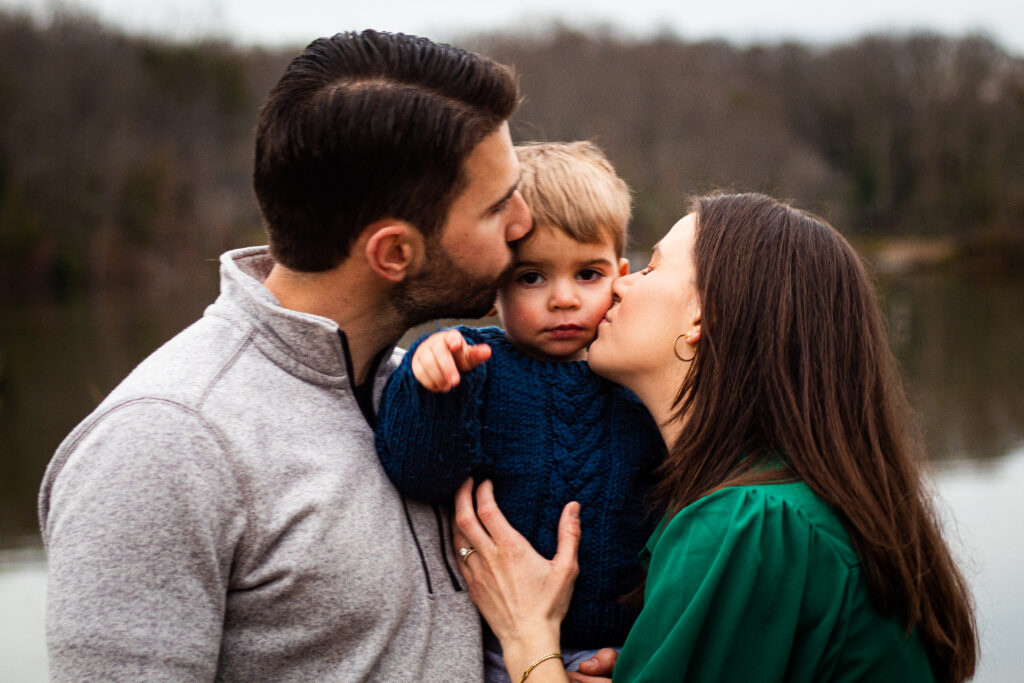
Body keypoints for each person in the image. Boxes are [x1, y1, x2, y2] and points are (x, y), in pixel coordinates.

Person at [37, 30, 534, 680]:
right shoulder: (164, 443)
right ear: (393, 253)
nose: (525, 220)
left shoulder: (423, 387)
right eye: (498, 207)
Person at [452, 192, 979, 683]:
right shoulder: (776, 502)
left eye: (652, 267)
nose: (617, 284)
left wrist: (529, 638)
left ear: (703, 315)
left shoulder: (745, 523)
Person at [375, 141, 664, 681]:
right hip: (490, 644)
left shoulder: (636, 376)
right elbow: (419, 473)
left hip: (620, 647)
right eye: (532, 277)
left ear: (622, 277)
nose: (563, 299)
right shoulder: (475, 363)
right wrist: (431, 387)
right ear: (493, 286)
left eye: (588, 274)